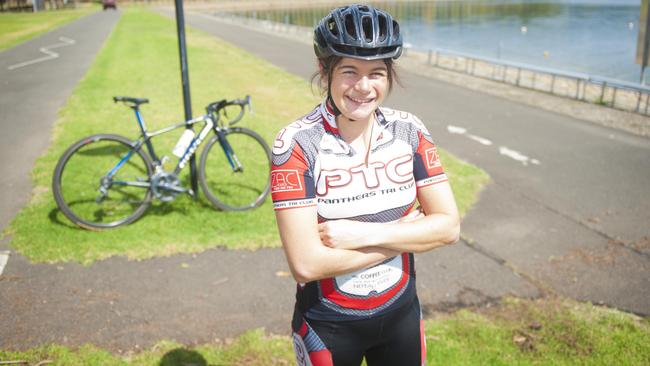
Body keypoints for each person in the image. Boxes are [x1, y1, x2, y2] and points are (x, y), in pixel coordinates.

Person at [271, 4, 460, 366]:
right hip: (329, 325)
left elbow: (449, 227)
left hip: (401, 315)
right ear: (324, 71)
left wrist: (362, 235)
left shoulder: (411, 131)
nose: (363, 87)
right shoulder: (295, 145)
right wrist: (406, 234)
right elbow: (307, 264)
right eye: (349, 71)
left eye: (376, 73)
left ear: (389, 75)